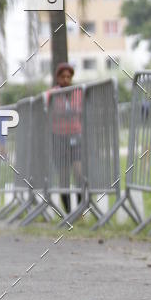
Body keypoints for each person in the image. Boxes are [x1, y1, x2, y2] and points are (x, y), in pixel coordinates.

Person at [48, 62, 83, 216]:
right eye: (63, 77)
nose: (66, 79)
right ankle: (68, 212)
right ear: (58, 78)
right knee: (64, 176)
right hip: (59, 137)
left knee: (79, 172)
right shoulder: (52, 94)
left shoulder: (78, 92)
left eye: (69, 77)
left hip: (76, 136)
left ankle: (80, 210)